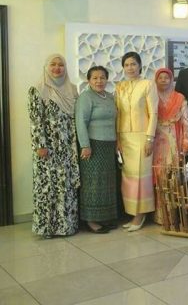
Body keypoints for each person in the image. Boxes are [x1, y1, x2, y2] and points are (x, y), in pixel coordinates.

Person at [28, 54, 79, 238]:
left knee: (66, 186)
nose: (57, 68)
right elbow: (35, 120)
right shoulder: (38, 89)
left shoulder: (72, 89)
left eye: (61, 65)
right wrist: (40, 145)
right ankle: (47, 228)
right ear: (46, 67)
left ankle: (66, 226)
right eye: (53, 64)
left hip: (67, 146)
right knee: (48, 187)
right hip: (47, 148)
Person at [115, 51, 158, 232]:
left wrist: (150, 138)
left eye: (133, 64)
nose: (130, 68)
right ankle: (132, 212)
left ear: (140, 65)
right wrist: (118, 138)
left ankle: (141, 214)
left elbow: (153, 113)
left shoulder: (148, 84)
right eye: (126, 65)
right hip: (125, 137)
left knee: (141, 177)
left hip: (142, 136)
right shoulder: (120, 87)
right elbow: (118, 114)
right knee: (128, 178)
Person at [75, 66, 118, 234]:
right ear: (89, 80)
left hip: (109, 146)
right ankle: (91, 220)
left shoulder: (110, 97)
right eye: (95, 78)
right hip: (93, 146)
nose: (99, 81)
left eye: (102, 77)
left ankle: (105, 217)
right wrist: (85, 145)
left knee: (106, 183)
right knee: (92, 182)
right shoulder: (86, 97)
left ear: (107, 79)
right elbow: (80, 122)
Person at [152, 67, 188, 223]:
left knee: (172, 175)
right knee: (158, 174)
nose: (163, 80)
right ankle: (160, 215)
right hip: (155, 141)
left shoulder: (179, 98)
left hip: (173, 140)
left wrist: (186, 142)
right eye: (160, 77)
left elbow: (186, 122)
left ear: (171, 80)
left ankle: (173, 215)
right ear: (156, 80)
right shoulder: (151, 96)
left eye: (166, 77)